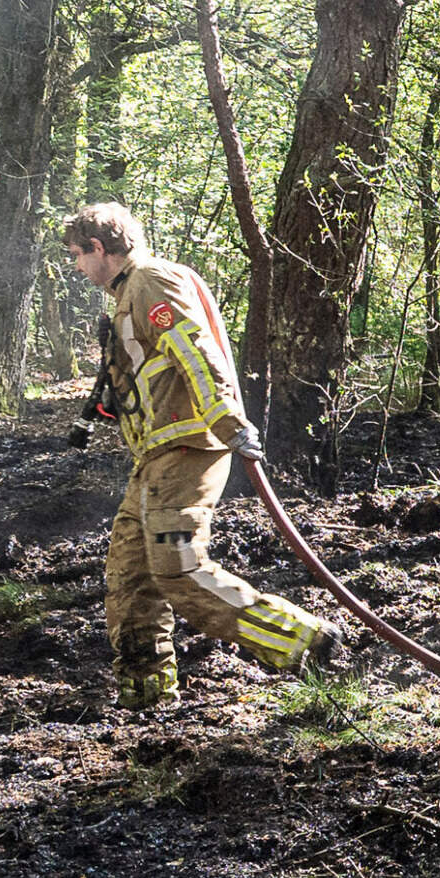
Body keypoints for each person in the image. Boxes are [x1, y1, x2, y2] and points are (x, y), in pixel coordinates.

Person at [60, 203, 343, 707]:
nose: (78, 268)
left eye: (79, 256)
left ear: (99, 248)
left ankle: (307, 642)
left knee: (177, 567)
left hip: (187, 446)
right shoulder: (128, 291)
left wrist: (230, 423)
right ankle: (146, 695)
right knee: (130, 573)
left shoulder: (150, 281)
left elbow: (195, 351)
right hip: (156, 455)